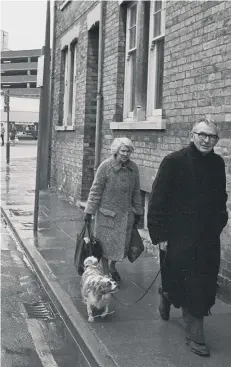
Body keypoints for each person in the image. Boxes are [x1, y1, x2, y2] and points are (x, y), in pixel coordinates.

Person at [148, 118, 228, 357]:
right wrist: (161, 235)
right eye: (202, 135)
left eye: (212, 137)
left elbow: (221, 198)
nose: (206, 140)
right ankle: (195, 334)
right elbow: (158, 200)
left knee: (202, 282)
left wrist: (219, 222)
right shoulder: (174, 161)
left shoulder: (217, 163)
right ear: (192, 135)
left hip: (207, 237)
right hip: (178, 236)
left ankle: (169, 297)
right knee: (186, 280)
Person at [84, 137, 143, 281]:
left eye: (128, 151)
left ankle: (112, 267)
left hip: (125, 216)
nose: (125, 154)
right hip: (107, 216)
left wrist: (139, 212)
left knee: (121, 247)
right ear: (116, 151)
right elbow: (96, 190)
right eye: (123, 151)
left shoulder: (133, 168)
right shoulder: (106, 166)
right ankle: (105, 273)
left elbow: (136, 191)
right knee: (104, 248)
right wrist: (89, 212)